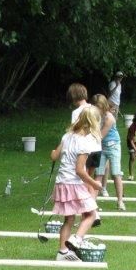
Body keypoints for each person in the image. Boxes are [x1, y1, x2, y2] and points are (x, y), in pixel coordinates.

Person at [51, 105, 103, 261]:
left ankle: (62, 252)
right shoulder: (85, 143)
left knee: (69, 219)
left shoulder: (67, 136)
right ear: (94, 123)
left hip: (61, 183)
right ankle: (77, 239)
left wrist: (53, 153)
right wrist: (95, 184)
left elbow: (54, 156)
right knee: (92, 214)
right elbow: (80, 170)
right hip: (73, 184)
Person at [91, 94, 126, 210]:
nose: (97, 110)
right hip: (100, 147)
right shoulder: (94, 116)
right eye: (95, 107)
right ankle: (93, 204)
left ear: (103, 106)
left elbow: (100, 136)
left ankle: (120, 201)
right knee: (98, 174)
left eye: (99, 107)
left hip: (113, 146)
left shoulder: (109, 117)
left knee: (116, 173)